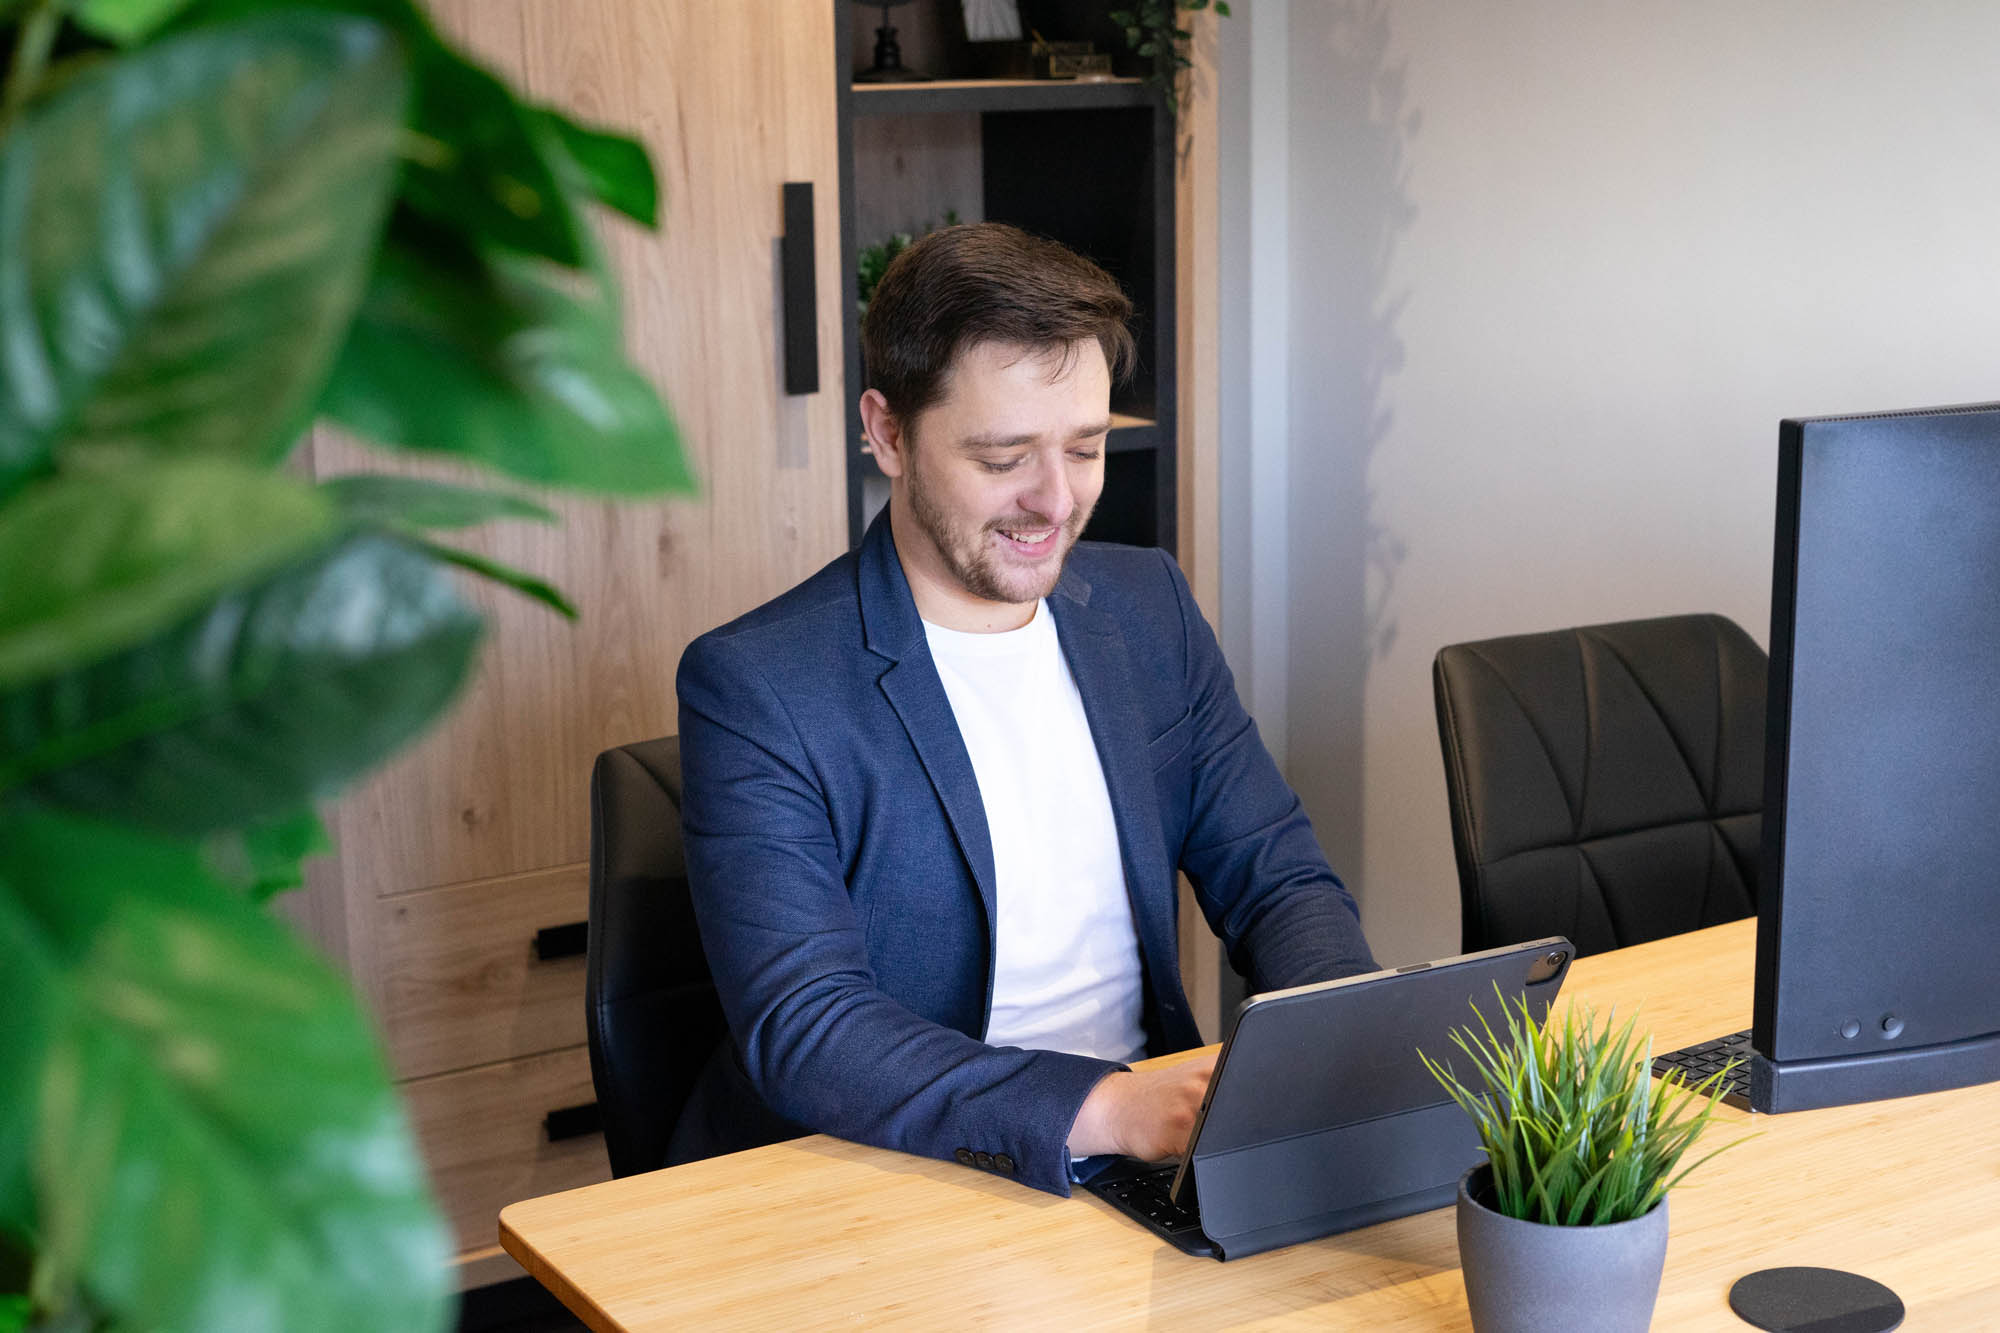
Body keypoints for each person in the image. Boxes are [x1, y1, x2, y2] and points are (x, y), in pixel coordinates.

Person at [671, 223, 1376, 1196]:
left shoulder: (1146, 608)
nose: (1055, 501)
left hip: (1146, 1151)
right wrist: (1105, 1108)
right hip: (891, 1170)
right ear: (885, 434)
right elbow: (809, 1024)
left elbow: (1276, 873)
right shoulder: (757, 685)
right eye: (1004, 457)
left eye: (1084, 447)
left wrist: (1341, 1039)